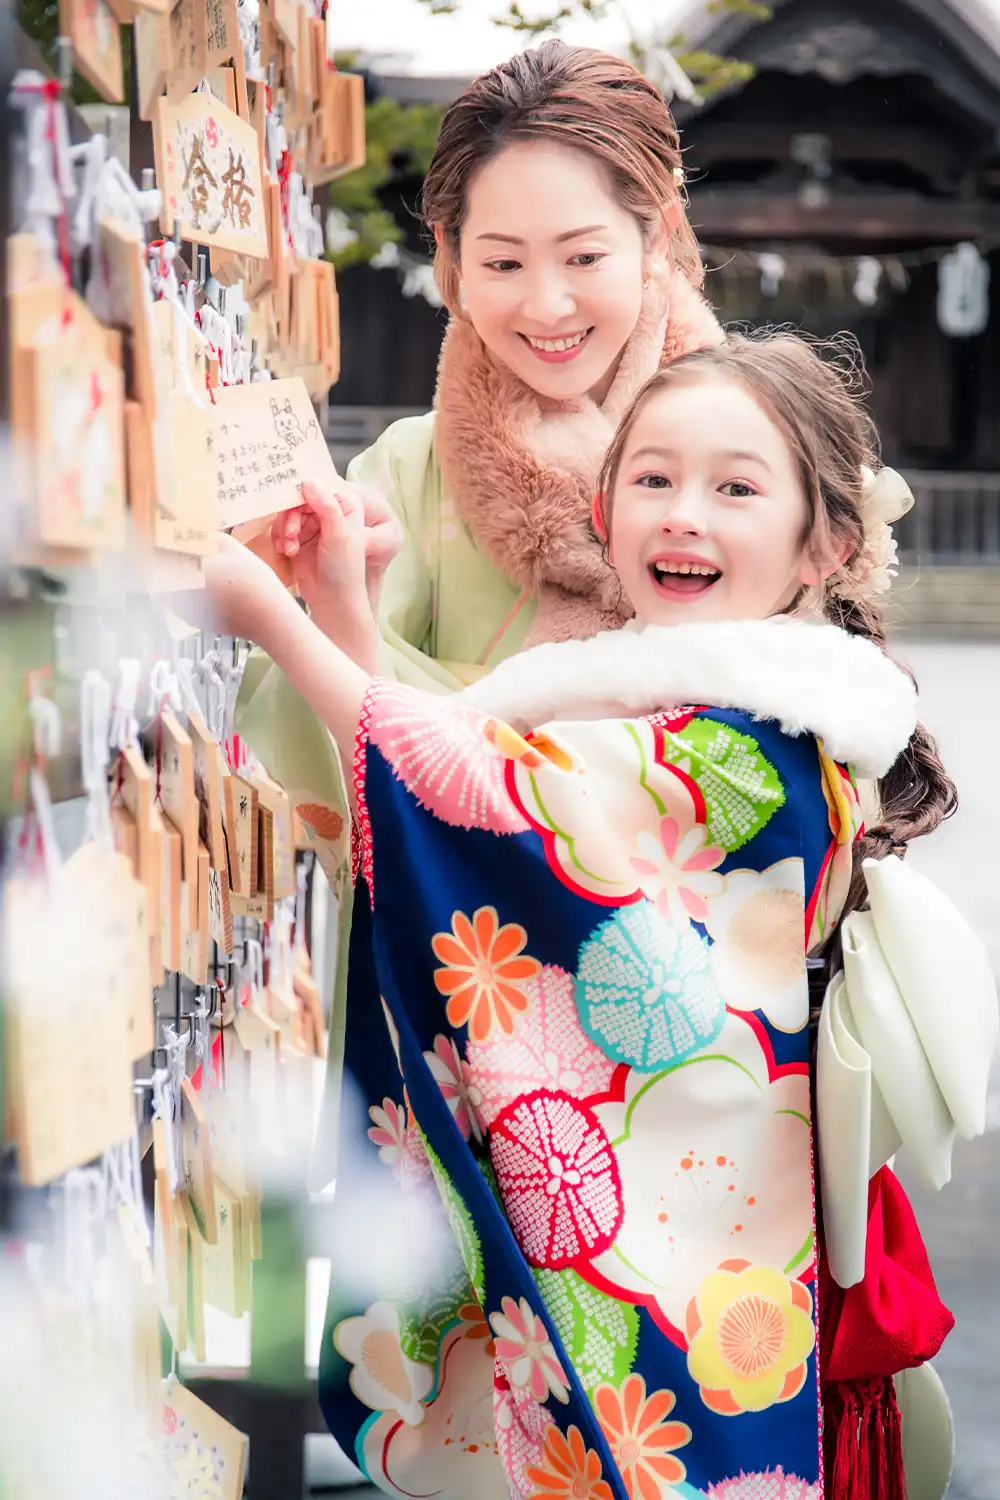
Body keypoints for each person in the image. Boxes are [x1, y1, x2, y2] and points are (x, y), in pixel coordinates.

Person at [205, 329, 962, 1500]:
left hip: (695, 1248)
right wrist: (340, 606)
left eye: (735, 487)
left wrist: (275, 622)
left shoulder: (750, 744)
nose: (681, 515)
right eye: (651, 478)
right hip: (704, 1215)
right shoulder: (670, 693)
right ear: (603, 510)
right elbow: (453, 777)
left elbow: (486, 806)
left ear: (829, 544)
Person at [237, 39, 725, 1188]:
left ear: (656, 234)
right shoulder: (403, 472)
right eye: (501, 261)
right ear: (448, 261)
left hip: (698, 1046)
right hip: (451, 1035)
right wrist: (331, 606)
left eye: (583, 255)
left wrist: (350, 644)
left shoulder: (753, 458)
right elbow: (306, 763)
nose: (545, 305)